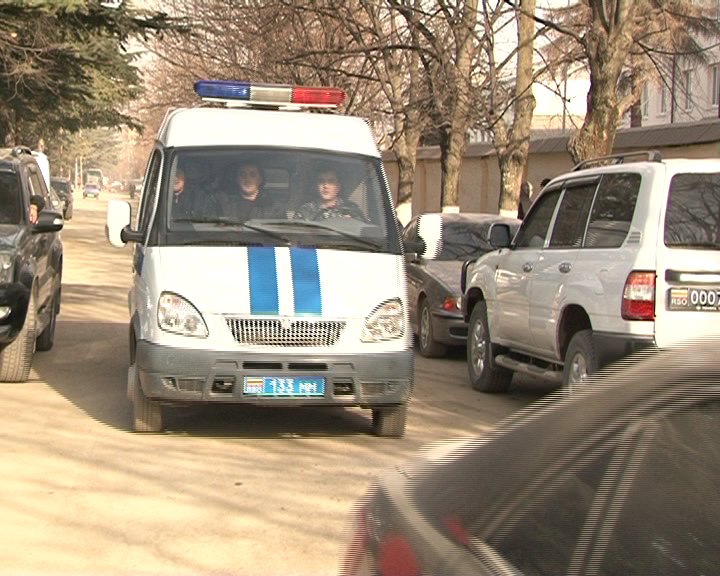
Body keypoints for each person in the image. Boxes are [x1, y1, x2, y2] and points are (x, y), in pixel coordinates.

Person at [208, 162, 285, 221]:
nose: (247, 179)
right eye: (242, 175)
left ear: (260, 180)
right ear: (237, 179)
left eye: (252, 175)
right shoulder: (222, 201)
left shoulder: (274, 207)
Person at [293, 168, 366, 221]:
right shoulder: (305, 210)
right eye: (321, 181)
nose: (325, 186)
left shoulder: (350, 210)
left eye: (331, 181)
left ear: (338, 187)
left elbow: (361, 233)